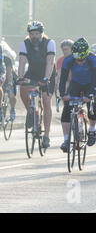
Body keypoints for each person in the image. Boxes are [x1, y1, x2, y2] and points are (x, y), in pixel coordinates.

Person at [17, 21, 56, 149]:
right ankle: (32, 111)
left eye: (37, 33)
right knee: (22, 88)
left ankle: (46, 136)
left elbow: (50, 62)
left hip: (47, 72)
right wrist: (21, 77)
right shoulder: (25, 43)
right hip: (33, 71)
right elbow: (22, 62)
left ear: (41, 33)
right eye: (32, 33)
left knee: (45, 100)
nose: (34, 36)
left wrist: (46, 78)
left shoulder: (49, 43)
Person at [59, 38, 96, 152]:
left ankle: (91, 130)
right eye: (77, 59)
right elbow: (63, 79)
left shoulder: (93, 59)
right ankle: (66, 140)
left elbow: (95, 80)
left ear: (87, 55)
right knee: (67, 108)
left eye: (82, 60)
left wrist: (91, 94)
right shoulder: (68, 60)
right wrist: (62, 94)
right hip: (75, 83)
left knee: (92, 104)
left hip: (90, 83)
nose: (79, 62)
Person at [1, 39, 17, 120]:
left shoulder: (6, 58)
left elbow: (8, 72)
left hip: (9, 77)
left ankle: (13, 109)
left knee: (11, 95)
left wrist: (9, 83)